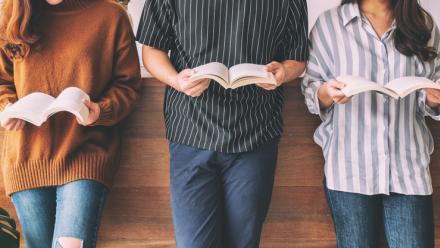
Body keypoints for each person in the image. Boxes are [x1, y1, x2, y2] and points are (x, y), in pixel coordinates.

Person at [137, 0, 308, 247]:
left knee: (244, 243)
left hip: (256, 132)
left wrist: (283, 71)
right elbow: (152, 49)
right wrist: (176, 80)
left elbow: (297, 57)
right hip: (190, 130)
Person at [0, 0, 142, 247]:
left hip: (85, 154)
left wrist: (100, 111)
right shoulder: (11, 15)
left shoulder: (110, 16)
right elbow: (3, 82)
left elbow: (127, 85)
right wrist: (7, 108)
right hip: (26, 158)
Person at [302, 0, 440, 247]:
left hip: (408, 168)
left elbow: (431, 95)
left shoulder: (423, 23)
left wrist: (433, 98)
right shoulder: (329, 25)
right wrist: (325, 93)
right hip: (349, 170)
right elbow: (310, 87)